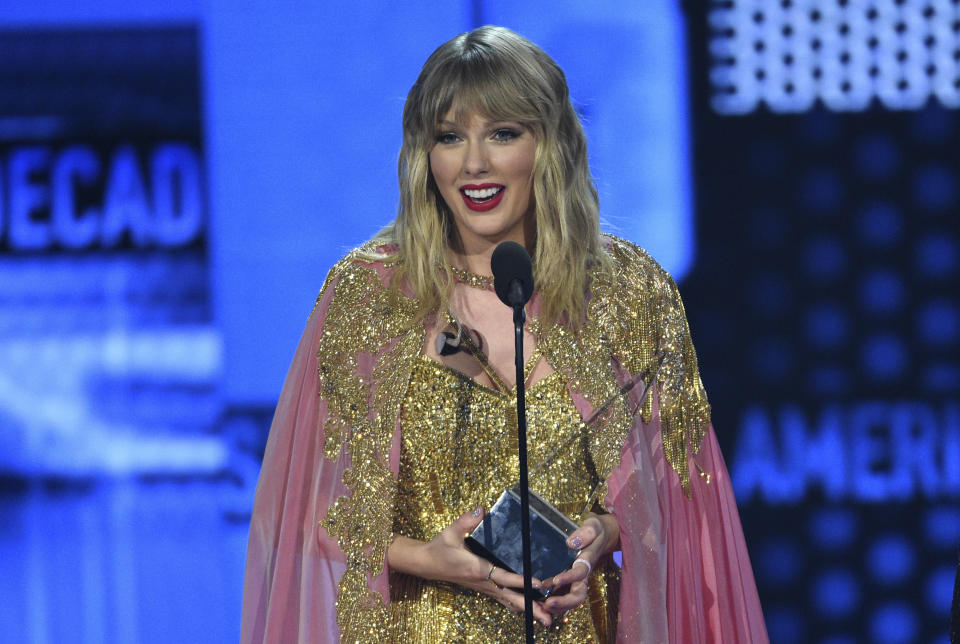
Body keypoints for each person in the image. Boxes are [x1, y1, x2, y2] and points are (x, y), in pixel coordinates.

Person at [241, 25, 768, 643]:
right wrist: (425, 557)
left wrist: (602, 534)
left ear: (550, 144)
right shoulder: (369, 295)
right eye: (449, 137)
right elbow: (297, 508)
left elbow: (680, 490)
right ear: (422, 155)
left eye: (502, 133)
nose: (473, 164)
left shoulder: (628, 291)